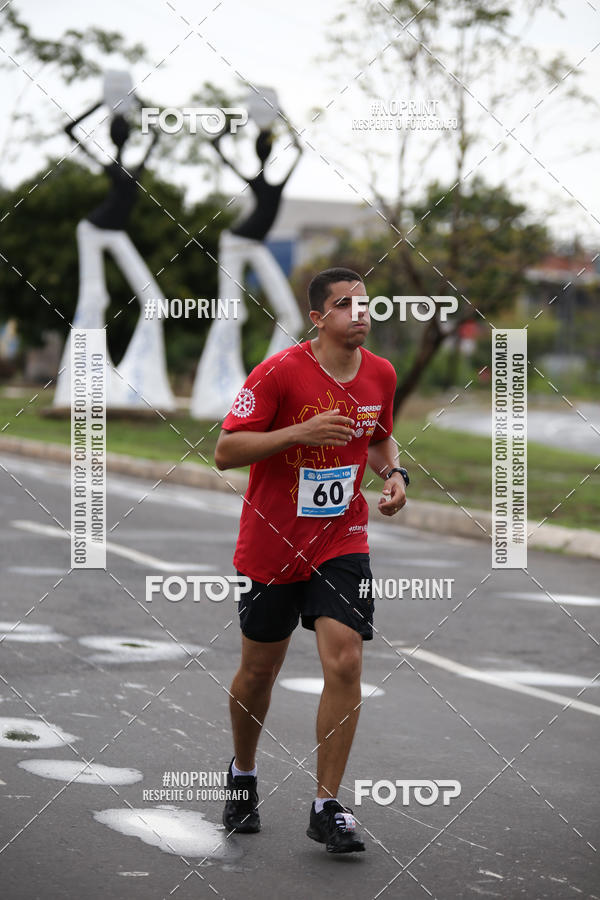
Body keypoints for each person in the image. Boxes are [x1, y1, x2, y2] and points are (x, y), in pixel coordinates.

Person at [214, 267, 409, 853]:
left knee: (345, 660)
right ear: (318, 318)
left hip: (341, 538)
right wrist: (299, 431)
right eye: (345, 305)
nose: (361, 314)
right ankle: (243, 774)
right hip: (273, 543)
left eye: (366, 304)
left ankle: (327, 806)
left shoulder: (381, 373)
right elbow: (225, 450)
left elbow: (377, 436)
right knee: (259, 671)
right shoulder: (278, 371)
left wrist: (393, 473)